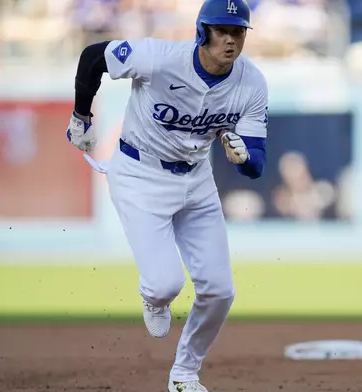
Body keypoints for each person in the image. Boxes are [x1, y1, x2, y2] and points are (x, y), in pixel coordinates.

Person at [65, 1, 268, 391]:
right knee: (164, 285)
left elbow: (256, 163)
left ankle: (184, 373)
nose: (230, 39)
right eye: (221, 30)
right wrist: (81, 116)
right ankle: (154, 298)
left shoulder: (251, 82)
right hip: (140, 173)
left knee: (220, 290)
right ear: (201, 31)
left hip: (196, 180)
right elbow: (94, 57)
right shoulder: (159, 58)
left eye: (238, 31)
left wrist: (243, 157)